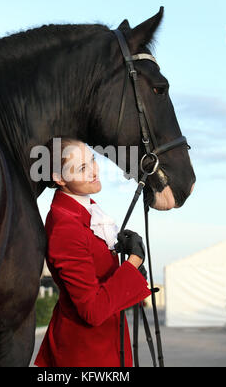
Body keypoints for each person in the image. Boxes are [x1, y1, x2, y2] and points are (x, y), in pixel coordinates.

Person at [34, 137, 151, 367]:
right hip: (84, 354)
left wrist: (123, 258)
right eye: (82, 168)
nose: (94, 171)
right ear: (59, 178)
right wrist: (133, 263)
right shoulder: (65, 226)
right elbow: (93, 310)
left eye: (93, 160)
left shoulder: (87, 211)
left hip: (105, 346)